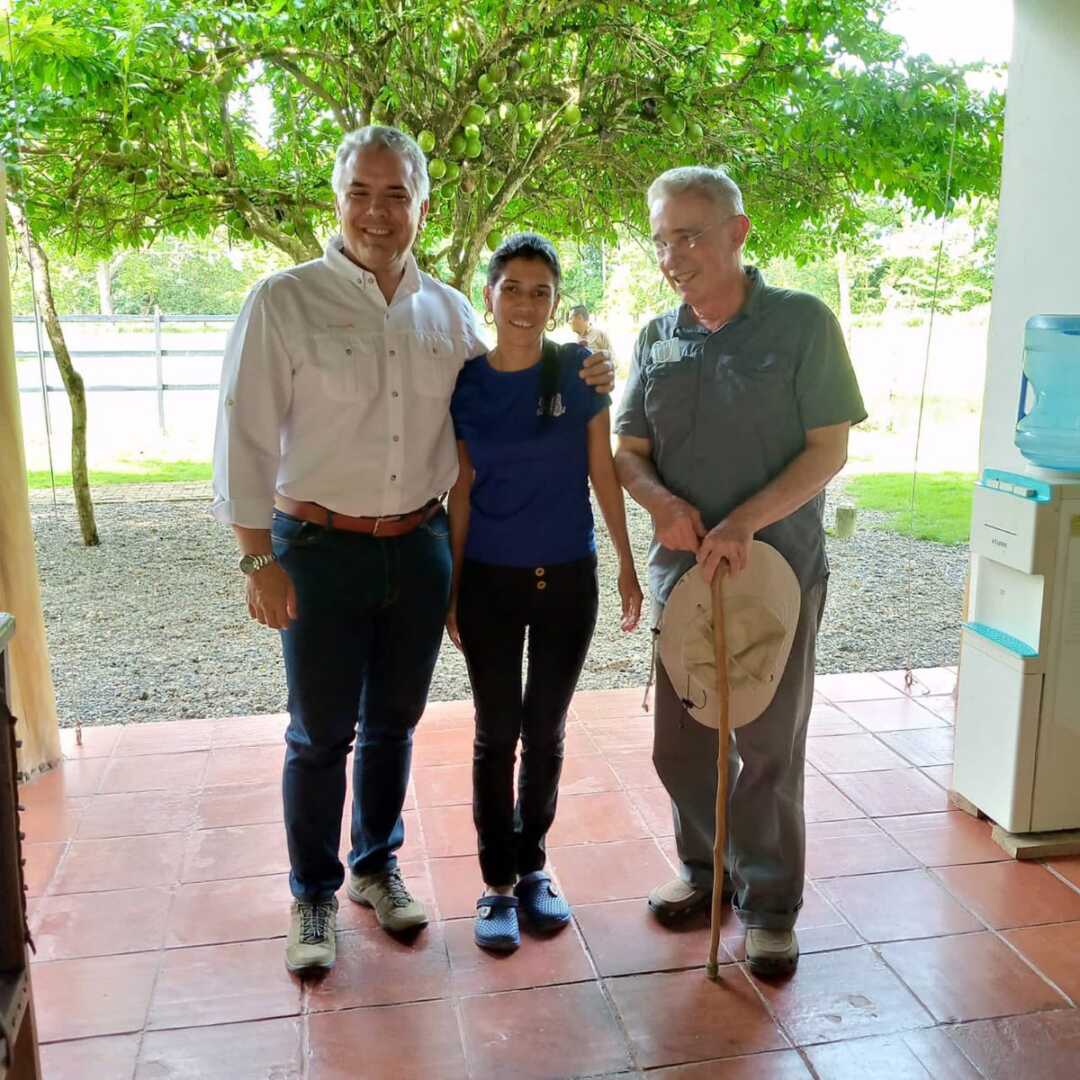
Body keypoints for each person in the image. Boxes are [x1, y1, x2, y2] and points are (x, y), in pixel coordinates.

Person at [210, 126, 613, 974]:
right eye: (360, 192)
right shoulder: (284, 301)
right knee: (320, 732)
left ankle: (375, 866)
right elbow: (242, 436)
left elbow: (509, 377)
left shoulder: (450, 312)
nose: (377, 212)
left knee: (394, 722)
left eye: (396, 195)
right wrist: (257, 559)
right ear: (337, 199)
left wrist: (588, 371)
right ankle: (313, 894)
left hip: (421, 544)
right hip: (316, 546)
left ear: (422, 206)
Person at [613, 166, 866, 977]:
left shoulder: (801, 323)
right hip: (684, 576)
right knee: (683, 744)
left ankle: (770, 905)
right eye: (661, 241)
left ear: (738, 232)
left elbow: (829, 449)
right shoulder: (657, 338)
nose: (672, 257)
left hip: (775, 573)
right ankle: (708, 871)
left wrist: (744, 521)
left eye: (688, 236)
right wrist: (661, 504)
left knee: (767, 745)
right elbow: (628, 451)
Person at [446, 233, 643, 952]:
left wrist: (625, 561)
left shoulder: (578, 372)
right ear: (489, 295)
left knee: (546, 730)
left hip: (567, 578)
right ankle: (496, 881)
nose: (525, 303)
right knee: (497, 731)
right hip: (489, 581)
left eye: (541, 291)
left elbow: (602, 472)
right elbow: (460, 489)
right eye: (512, 288)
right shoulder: (467, 384)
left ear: (555, 301)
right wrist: (452, 583)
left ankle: (533, 865)